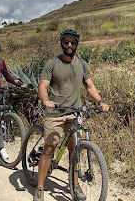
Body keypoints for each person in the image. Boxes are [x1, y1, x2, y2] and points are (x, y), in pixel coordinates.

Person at [34, 29, 109, 201]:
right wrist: (46, 100)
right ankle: (39, 187)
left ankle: (75, 185)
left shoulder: (82, 64)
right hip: (56, 113)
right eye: (66, 42)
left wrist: (101, 101)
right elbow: (42, 86)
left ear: (77, 44)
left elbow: (90, 87)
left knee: (74, 149)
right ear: (61, 43)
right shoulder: (52, 63)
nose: (69, 45)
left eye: (72, 42)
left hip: (74, 113)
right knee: (49, 148)